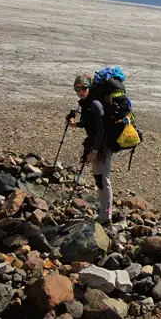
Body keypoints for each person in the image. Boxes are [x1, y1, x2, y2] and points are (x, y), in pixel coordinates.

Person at [67, 74, 114, 224]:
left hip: (102, 146)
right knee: (99, 178)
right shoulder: (87, 103)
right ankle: (104, 213)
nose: (81, 91)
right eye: (77, 89)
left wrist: (94, 151)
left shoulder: (94, 104)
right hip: (96, 145)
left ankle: (106, 216)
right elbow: (91, 124)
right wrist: (77, 125)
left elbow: (101, 130)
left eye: (83, 88)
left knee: (102, 178)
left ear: (89, 87)